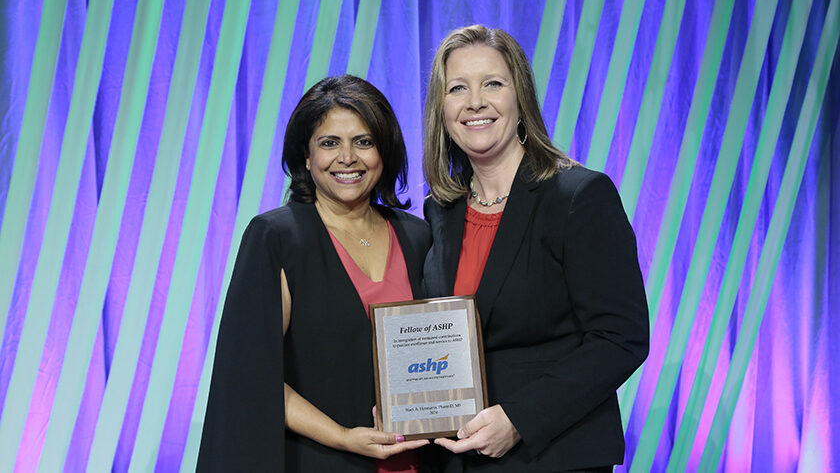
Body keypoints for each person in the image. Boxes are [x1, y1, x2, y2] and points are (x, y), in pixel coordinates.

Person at [421, 25, 649, 472]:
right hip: (462, 461)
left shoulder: (579, 197)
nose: (475, 102)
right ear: (442, 109)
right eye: (458, 88)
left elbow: (621, 338)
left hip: (554, 455)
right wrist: (405, 406)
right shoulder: (440, 211)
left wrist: (520, 418)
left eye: (493, 84)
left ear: (520, 97)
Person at [197, 75, 431, 472]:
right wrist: (343, 436)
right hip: (323, 460)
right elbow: (253, 376)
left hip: (417, 460)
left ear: (384, 152)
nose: (348, 157)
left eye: (364, 141)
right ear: (306, 157)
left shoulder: (418, 236)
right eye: (329, 143)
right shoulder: (277, 238)